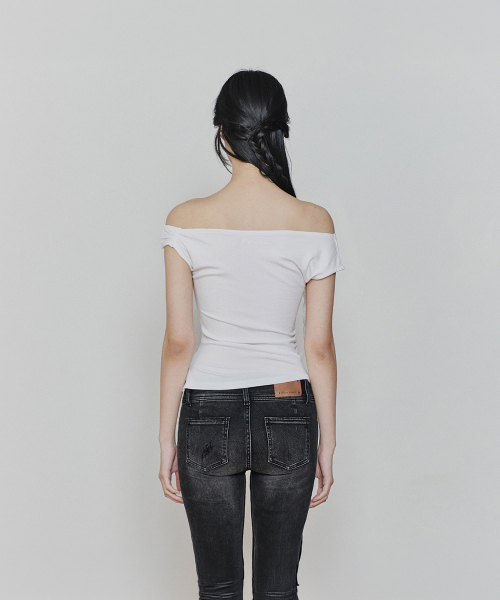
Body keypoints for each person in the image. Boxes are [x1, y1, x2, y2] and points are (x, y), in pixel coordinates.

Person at [158, 69, 345, 600]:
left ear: (222, 132)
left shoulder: (185, 220)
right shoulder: (314, 222)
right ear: (280, 131)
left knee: (217, 589)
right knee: (278, 590)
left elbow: (179, 342)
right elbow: (319, 347)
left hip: (206, 410)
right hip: (288, 409)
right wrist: (328, 440)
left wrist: (167, 437)